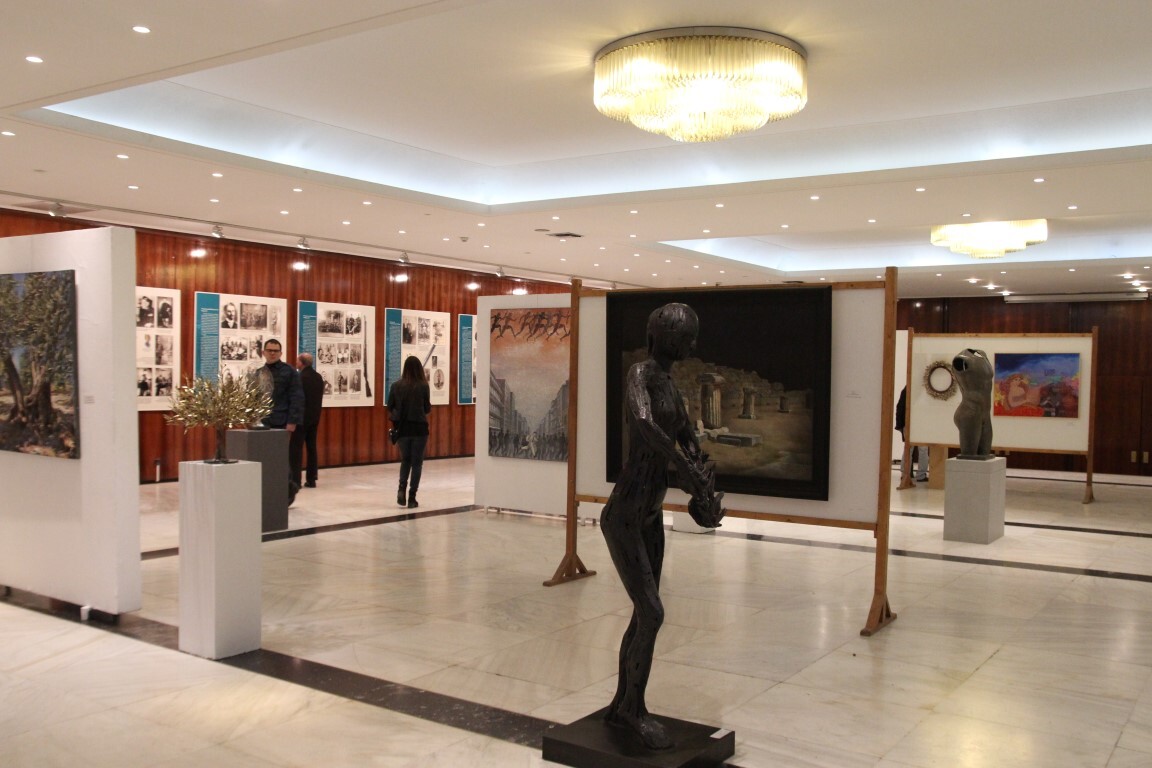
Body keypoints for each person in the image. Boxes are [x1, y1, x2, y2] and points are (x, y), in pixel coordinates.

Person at [600, 303, 723, 751]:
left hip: (649, 514)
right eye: (686, 337)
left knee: (643, 614)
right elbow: (645, 424)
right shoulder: (640, 375)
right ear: (665, 337)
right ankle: (633, 711)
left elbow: (685, 431)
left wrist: (699, 470)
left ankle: (623, 704)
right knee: (652, 613)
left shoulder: (670, 383)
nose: (692, 344)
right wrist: (679, 463)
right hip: (625, 516)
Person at [258, 338, 304, 504]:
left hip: (281, 422)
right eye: (269, 350)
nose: (272, 353)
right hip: (263, 423)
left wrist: (292, 422)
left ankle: (288, 492)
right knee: (265, 458)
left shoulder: (289, 372)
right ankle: (269, 491)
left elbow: (297, 397)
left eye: (275, 351)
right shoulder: (259, 373)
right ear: (263, 352)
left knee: (281, 458)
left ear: (280, 353)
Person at [387, 355, 431, 508]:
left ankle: (401, 489)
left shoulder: (396, 386)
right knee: (417, 463)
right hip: (419, 429)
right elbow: (427, 408)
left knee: (405, 460)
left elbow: (390, 406)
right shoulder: (423, 386)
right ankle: (412, 497)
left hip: (403, 429)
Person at [292, 352, 324, 488]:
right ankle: (312, 478)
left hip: (301, 418)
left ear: (301, 363)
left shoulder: (300, 378)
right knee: (311, 447)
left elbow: (297, 399)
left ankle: (296, 480)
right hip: (314, 417)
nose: (296, 363)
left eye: (297, 361)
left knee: (296, 448)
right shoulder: (318, 377)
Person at [895, 387, 928, 482]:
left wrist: (899, 425)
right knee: (923, 449)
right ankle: (920, 475)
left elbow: (900, 407)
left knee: (908, 449)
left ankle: (905, 474)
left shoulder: (907, 389)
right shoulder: (924, 389)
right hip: (920, 423)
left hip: (908, 423)